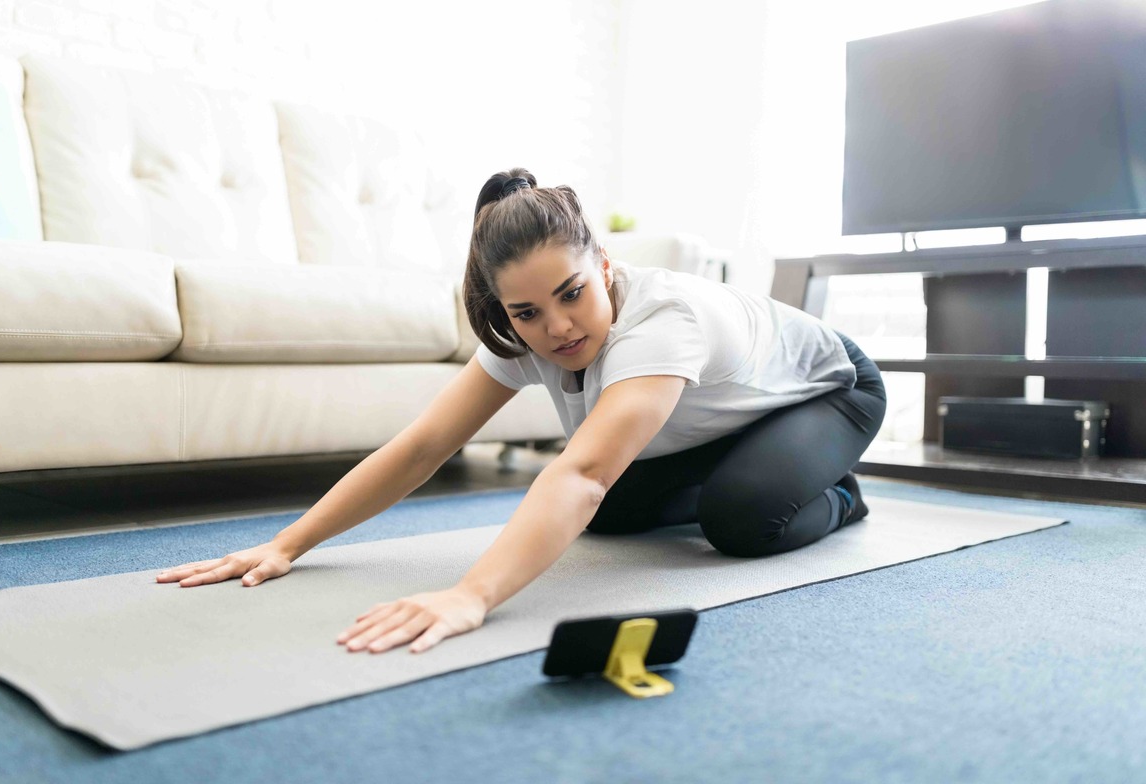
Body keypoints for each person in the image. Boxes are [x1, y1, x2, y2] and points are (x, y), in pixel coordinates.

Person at [156, 167, 887, 656]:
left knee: (742, 519)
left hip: (829, 391)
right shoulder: (522, 332)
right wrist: (289, 543)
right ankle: (758, 472)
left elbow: (583, 471)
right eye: (528, 313)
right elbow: (422, 447)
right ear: (504, 310)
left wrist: (472, 595)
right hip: (718, 419)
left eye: (573, 293)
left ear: (603, 267)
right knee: (608, 516)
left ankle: (837, 494)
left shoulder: (666, 319)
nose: (558, 329)